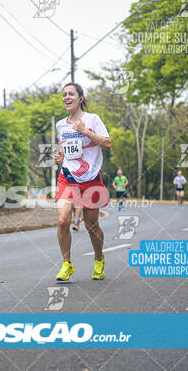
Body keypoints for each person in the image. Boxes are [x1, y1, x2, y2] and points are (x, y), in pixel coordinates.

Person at [54, 82, 111, 281]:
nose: (66, 98)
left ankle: (98, 259)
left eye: (70, 94)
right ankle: (66, 264)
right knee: (62, 220)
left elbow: (107, 144)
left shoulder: (92, 119)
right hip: (68, 177)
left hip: (91, 179)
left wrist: (85, 131)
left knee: (91, 226)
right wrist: (60, 156)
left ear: (80, 98)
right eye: (64, 95)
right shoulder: (60, 124)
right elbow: (67, 148)